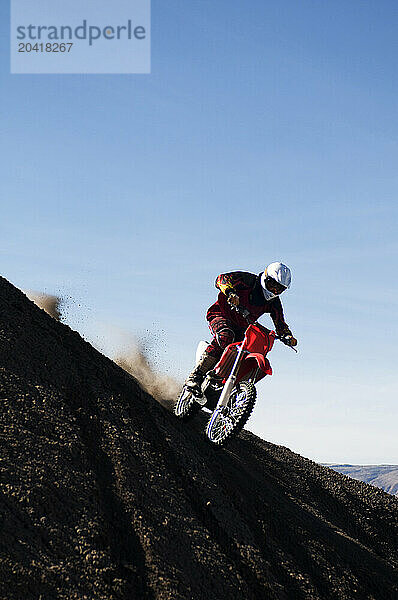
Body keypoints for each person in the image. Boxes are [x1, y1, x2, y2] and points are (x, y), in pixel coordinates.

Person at [185, 262, 297, 394]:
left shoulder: (274, 302)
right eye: (273, 285)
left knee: (245, 352)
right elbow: (221, 279)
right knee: (226, 336)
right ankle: (195, 376)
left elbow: (280, 322)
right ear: (266, 278)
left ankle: (225, 386)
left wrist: (287, 335)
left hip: (242, 328)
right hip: (221, 314)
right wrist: (230, 292)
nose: (275, 291)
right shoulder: (247, 281)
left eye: (280, 289)